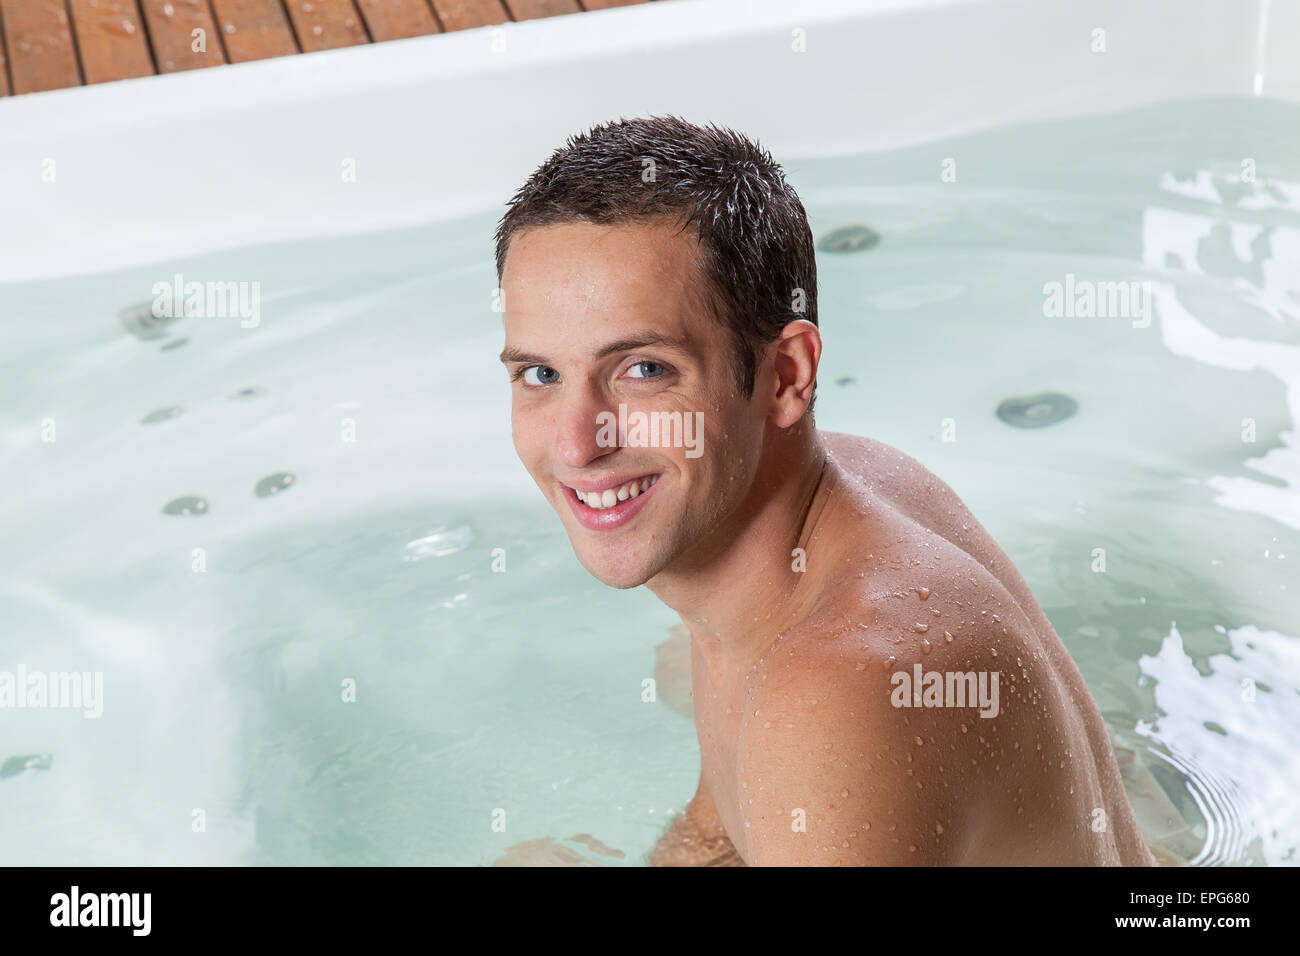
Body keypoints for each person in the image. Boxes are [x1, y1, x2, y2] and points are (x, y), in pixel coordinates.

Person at [493, 115, 1158, 865]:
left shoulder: (841, 688)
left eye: (644, 370)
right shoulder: (799, 526)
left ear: (786, 378)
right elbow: (717, 829)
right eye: (540, 375)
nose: (580, 444)